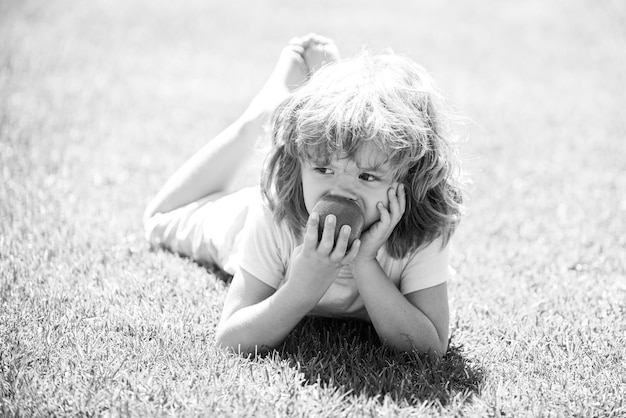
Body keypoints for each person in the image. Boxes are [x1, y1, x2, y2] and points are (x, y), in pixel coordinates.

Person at [144, 34, 465, 355]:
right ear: (299, 164)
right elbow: (230, 339)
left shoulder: (420, 225)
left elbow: (431, 347)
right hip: (241, 221)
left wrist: (365, 262)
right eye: (324, 169)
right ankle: (266, 112)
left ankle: (332, 108)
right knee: (156, 221)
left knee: (347, 146)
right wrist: (301, 287)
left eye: (367, 175)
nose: (342, 189)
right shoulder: (273, 213)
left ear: (409, 178)